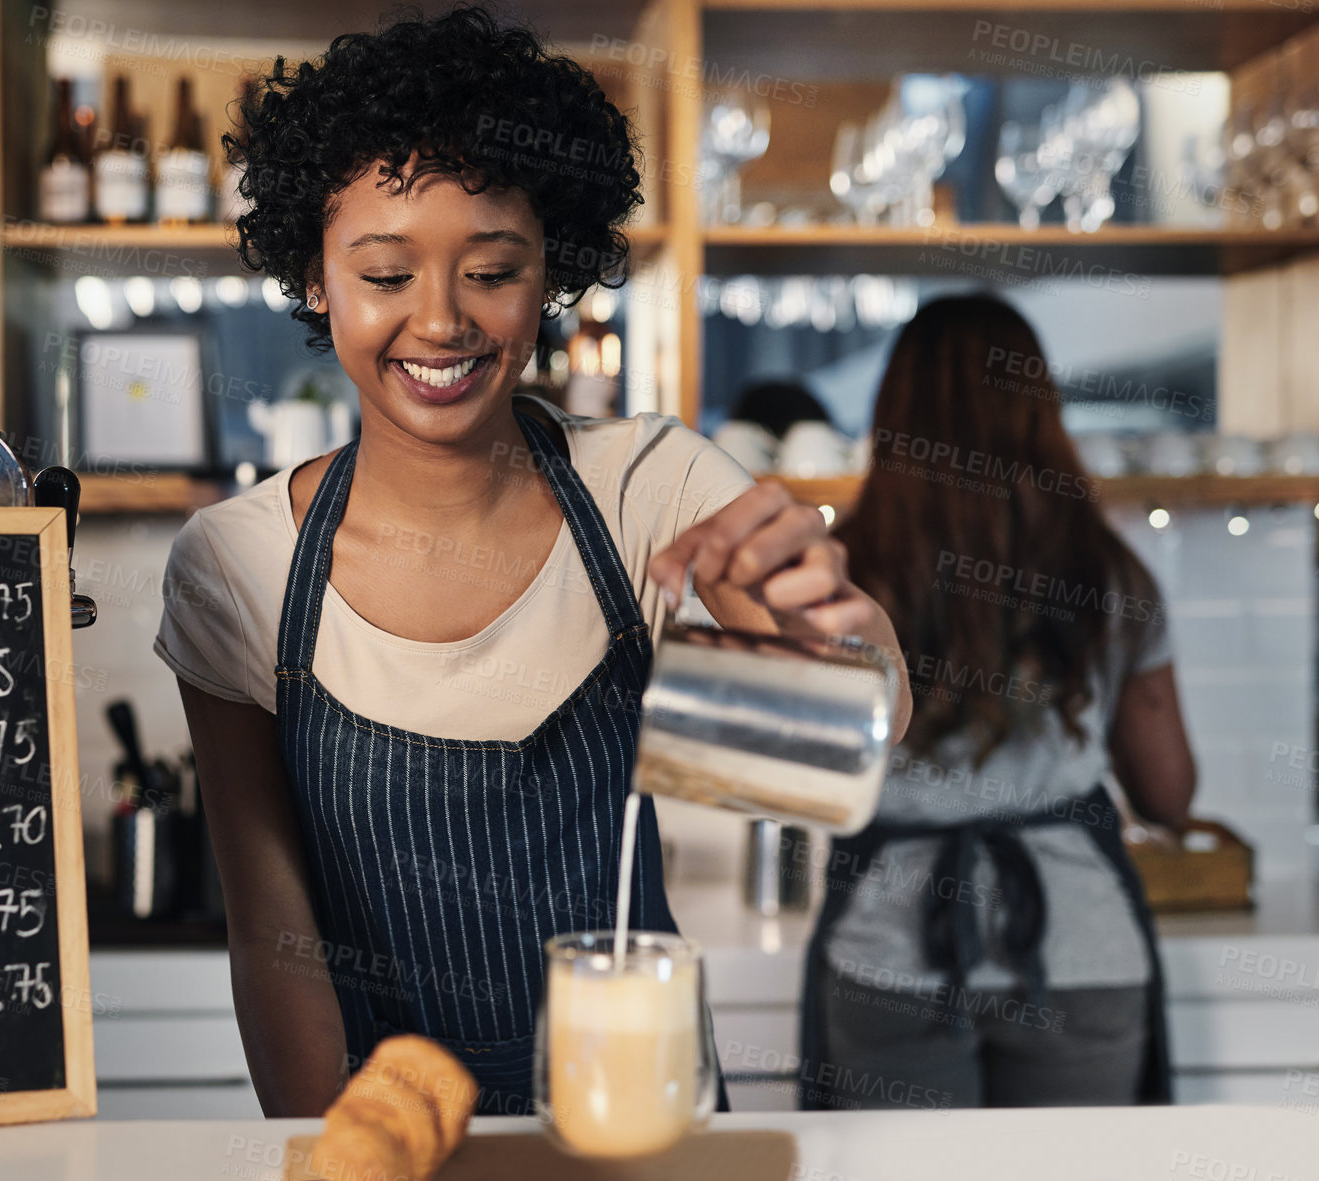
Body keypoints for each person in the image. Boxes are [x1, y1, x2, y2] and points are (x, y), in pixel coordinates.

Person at [155, 7, 911, 1118]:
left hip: (645, 1126)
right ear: (316, 279)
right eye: (385, 272)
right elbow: (273, 927)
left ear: (551, 270)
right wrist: (335, 1151)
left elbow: (856, 729)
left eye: (492, 269)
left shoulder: (648, 483)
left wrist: (832, 633)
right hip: (390, 1126)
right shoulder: (237, 561)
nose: (442, 319)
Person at [801, 294, 1196, 1109]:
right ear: (1038, 408)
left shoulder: (836, 582)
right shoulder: (1115, 579)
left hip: (891, 959)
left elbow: (810, 782)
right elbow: (1170, 794)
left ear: (894, 415)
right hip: (1080, 955)